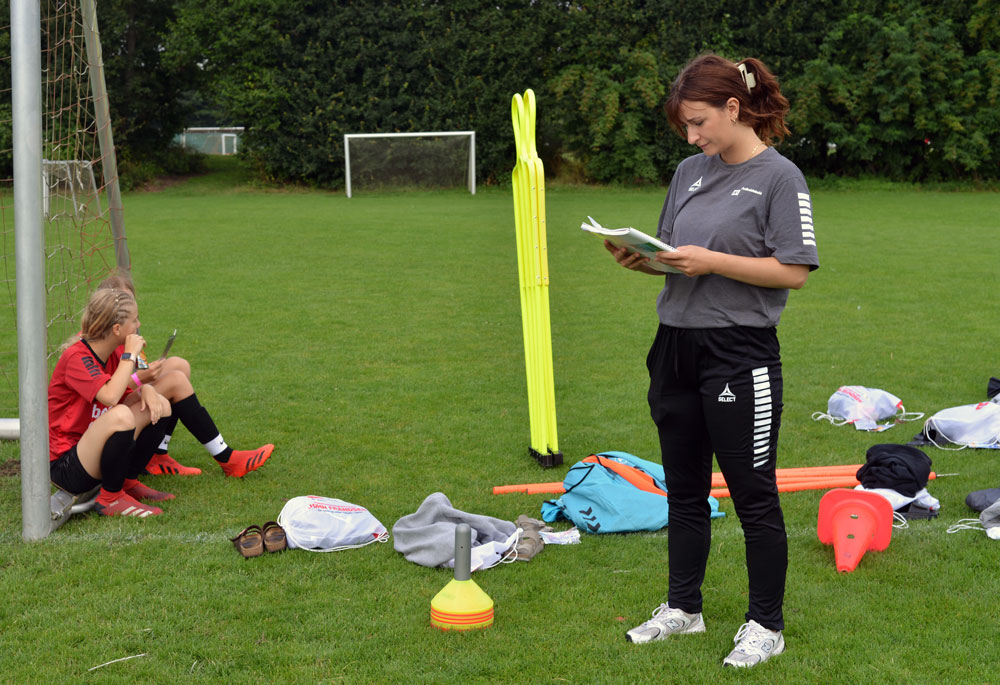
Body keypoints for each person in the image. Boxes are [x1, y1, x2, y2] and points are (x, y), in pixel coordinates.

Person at [610, 54, 819, 668]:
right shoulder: (688, 172)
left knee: (754, 496)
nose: (693, 137)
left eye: (699, 123)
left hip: (739, 353)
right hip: (674, 344)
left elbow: (794, 271)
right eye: (685, 128)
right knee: (684, 491)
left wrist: (711, 261)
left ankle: (766, 625)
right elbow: (678, 255)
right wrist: (640, 260)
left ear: (734, 108)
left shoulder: (781, 177)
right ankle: (684, 609)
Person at [96, 271, 273, 477]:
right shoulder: (96, 345)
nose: (135, 318)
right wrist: (141, 380)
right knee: (176, 381)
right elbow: (109, 393)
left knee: (178, 366)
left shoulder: (129, 335)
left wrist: (148, 372)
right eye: (123, 305)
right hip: (111, 419)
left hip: (123, 404)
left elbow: (139, 370)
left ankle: (158, 454)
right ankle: (227, 458)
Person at [49, 288, 175, 516]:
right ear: (117, 329)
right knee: (122, 416)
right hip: (66, 466)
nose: (139, 324)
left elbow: (124, 394)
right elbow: (110, 397)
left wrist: (145, 390)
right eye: (134, 320)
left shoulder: (110, 354)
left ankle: (127, 483)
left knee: (161, 405)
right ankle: (111, 498)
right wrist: (130, 355)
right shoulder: (77, 357)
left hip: (92, 453)